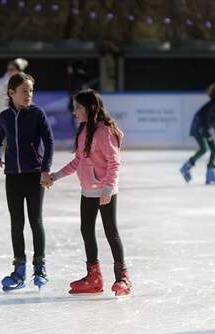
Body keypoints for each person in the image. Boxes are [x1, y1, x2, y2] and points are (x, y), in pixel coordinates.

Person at [48, 89, 131, 296]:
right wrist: (55, 176)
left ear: (90, 108)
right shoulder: (84, 130)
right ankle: (94, 276)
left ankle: (123, 277)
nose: (74, 111)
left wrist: (108, 188)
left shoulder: (103, 131)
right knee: (87, 231)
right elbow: (78, 161)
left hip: (105, 190)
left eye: (78, 107)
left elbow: (114, 162)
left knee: (111, 232)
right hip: (88, 190)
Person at [0, 72, 54, 291]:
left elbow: (49, 142)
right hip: (13, 177)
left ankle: (40, 267)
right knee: (16, 224)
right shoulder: (5, 117)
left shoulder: (37, 114)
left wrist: (45, 169)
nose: (29, 95)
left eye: (31, 91)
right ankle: (19, 270)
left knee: (35, 221)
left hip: (34, 176)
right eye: (24, 91)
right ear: (11, 93)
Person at [180, 80, 215, 185]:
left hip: (201, 126)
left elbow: (213, 117)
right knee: (210, 149)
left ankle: (192, 169)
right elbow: (205, 116)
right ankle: (208, 174)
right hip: (199, 126)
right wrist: (207, 129)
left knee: (206, 149)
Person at [0, 58, 28, 128]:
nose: (9, 71)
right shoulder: (1, 82)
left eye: (12, 69)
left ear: (18, 70)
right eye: (8, 69)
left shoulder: (25, 83)